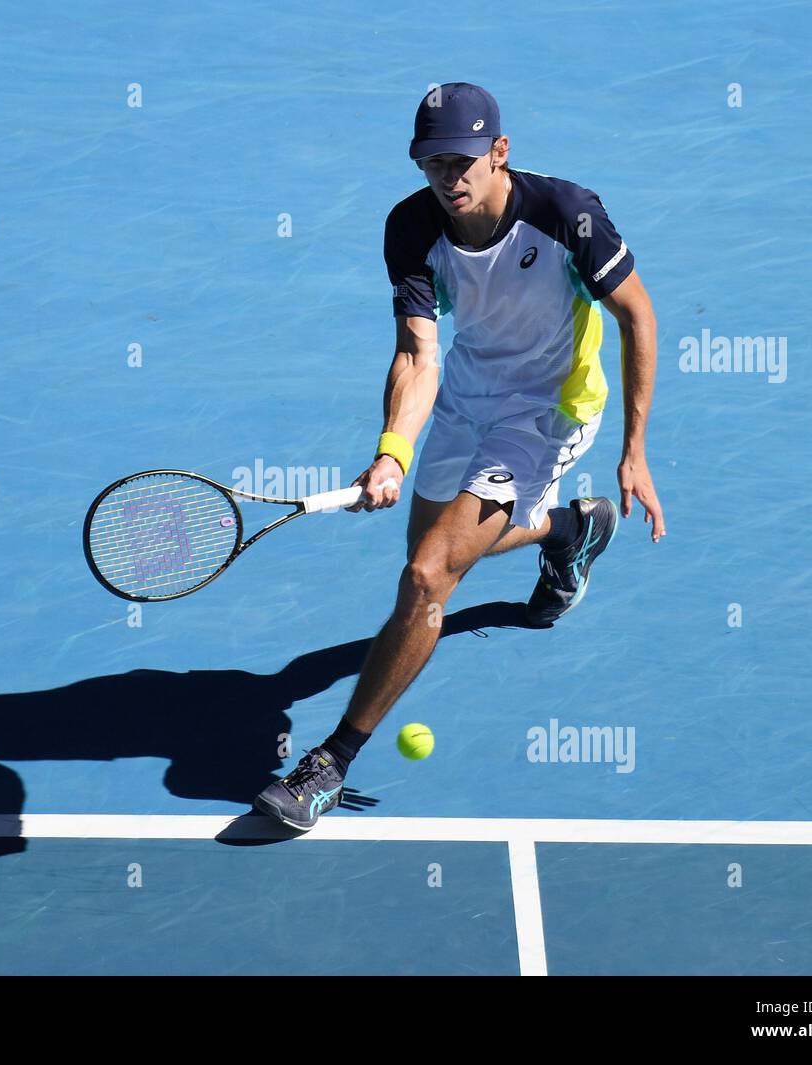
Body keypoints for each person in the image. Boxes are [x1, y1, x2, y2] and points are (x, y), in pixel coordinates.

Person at [255, 82, 666, 831]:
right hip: (466, 394)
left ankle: (331, 762)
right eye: (432, 163)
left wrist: (634, 449)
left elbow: (637, 313)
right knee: (428, 563)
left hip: (546, 413)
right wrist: (391, 452)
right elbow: (418, 352)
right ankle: (568, 532)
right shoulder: (411, 227)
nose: (448, 177)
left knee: (425, 577)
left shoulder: (566, 215)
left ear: (499, 152)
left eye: (462, 160)